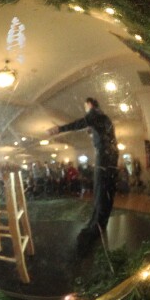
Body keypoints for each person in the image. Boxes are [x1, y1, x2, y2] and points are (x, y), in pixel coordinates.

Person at [48, 97, 118, 248]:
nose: (85, 109)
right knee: (107, 191)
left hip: (104, 156)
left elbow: (80, 123)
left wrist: (59, 129)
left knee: (100, 191)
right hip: (112, 157)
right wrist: (92, 133)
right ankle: (101, 225)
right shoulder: (105, 118)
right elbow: (102, 133)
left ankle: (95, 228)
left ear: (90, 104)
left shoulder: (94, 113)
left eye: (85, 106)